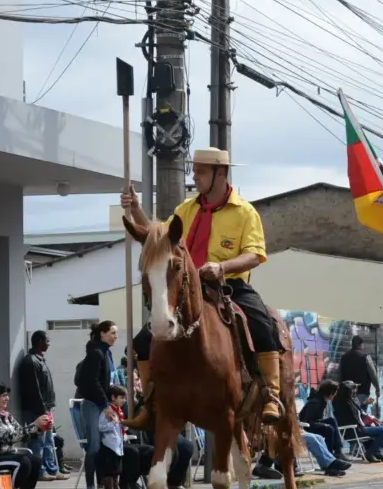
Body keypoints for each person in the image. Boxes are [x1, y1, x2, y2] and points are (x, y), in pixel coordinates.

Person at [121, 147, 285, 428]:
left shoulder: (245, 212)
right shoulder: (186, 209)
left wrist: (222, 267)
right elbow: (156, 238)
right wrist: (135, 208)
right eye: (194, 170)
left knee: (262, 324)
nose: (194, 177)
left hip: (229, 285)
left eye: (200, 171)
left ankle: (271, 393)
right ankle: (151, 403)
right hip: (187, 288)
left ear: (220, 174)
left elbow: (255, 254)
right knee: (142, 342)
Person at [75, 320, 119, 489]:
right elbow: (92, 382)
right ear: (102, 334)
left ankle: (105, 487)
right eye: (113, 333)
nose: (116, 336)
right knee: (93, 448)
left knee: (104, 447)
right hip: (93, 405)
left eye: (116, 333)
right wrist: (105, 405)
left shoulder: (105, 353)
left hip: (100, 404)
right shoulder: (96, 353)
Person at [15, 330, 64, 480]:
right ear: (39, 341)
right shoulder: (31, 361)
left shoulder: (39, 360)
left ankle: (51, 469)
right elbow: (34, 389)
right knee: (38, 442)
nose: (49, 344)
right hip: (36, 409)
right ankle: (39, 471)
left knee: (48, 441)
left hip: (45, 408)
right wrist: (42, 410)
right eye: (47, 341)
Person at [337, 336, 379, 412]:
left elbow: (339, 374)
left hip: (347, 393)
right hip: (362, 391)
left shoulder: (343, 357)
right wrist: (377, 388)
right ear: (361, 344)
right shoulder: (365, 357)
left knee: (350, 415)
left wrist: (339, 389)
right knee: (362, 414)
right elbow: (373, 374)